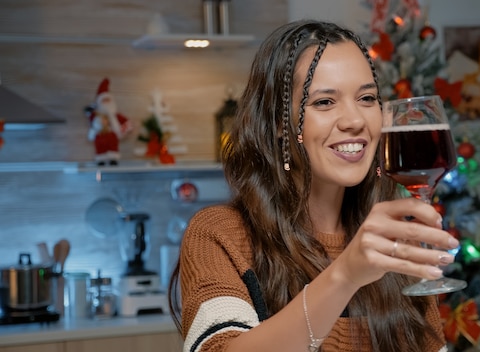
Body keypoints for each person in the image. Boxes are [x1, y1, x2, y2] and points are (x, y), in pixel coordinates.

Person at [169, 19, 459, 352]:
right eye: (324, 102)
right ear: (280, 124)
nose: (354, 121)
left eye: (367, 98)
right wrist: (346, 274)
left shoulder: (393, 244)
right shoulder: (220, 235)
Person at [86, 78, 133, 165]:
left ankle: (113, 159)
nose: (106, 103)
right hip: (100, 135)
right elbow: (89, 115)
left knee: (113, 145)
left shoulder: (115, 115)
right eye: (104, 100)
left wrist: (124, 129)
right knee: (100, 145)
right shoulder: (97, 115)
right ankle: (100, 159)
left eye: (108, 100)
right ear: (99, 102)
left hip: (112, 136)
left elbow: (126, 122)